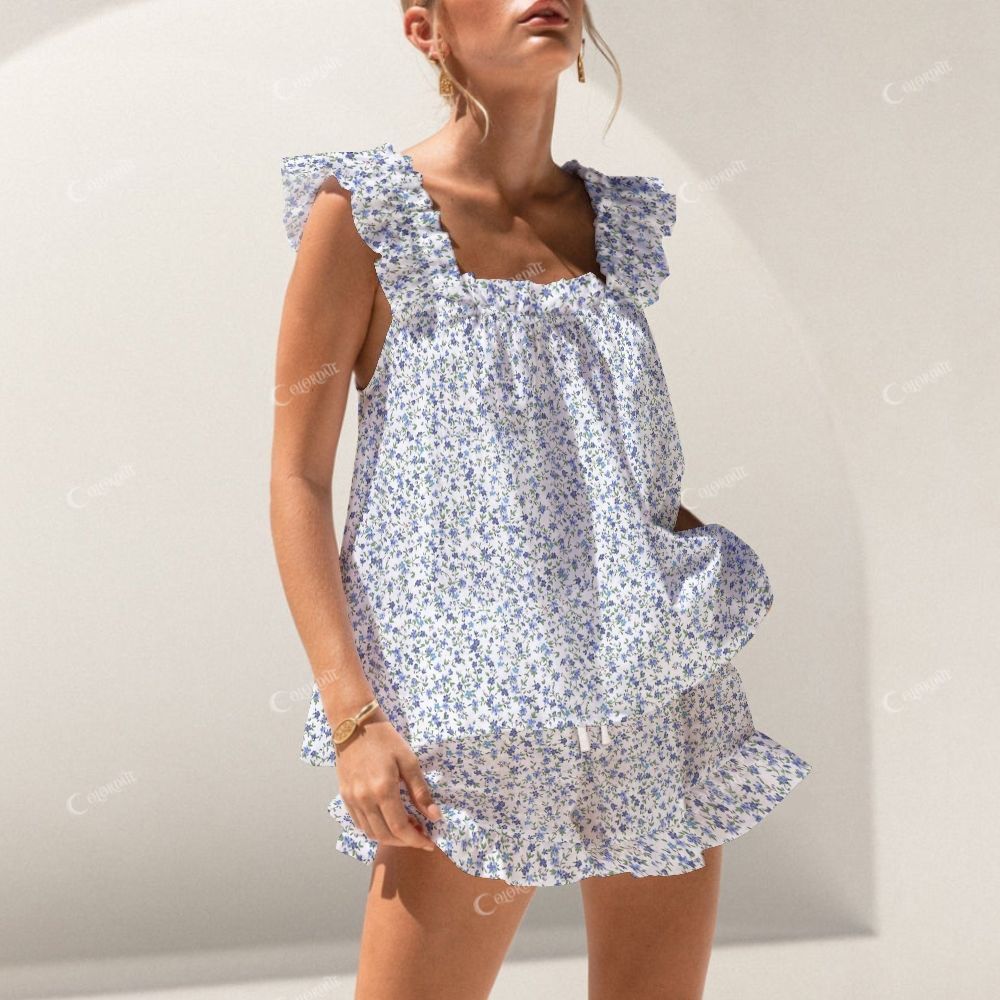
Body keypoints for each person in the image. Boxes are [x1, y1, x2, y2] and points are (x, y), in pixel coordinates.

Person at [270, 2, 811, 997]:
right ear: (425, 29)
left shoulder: (614, 223)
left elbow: (598, 456)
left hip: (650, 686)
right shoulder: (366, 215)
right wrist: (353, 717)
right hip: (471, 706)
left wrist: (675, 552)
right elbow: (297, 479)